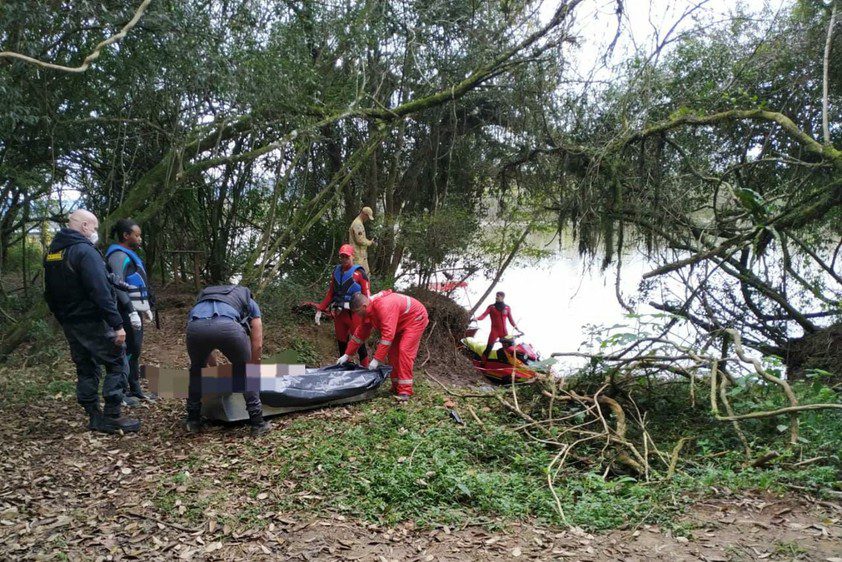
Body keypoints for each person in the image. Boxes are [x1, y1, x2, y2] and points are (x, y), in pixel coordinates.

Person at [43, 209, 141, 434]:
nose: (96, 232)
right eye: (95, 228)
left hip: (71, 323)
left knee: (85, 367)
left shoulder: (53, 253)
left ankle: (93, 415)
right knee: (117, 362)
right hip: (93, 320)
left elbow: (49, 294)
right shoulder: (84, 252)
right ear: (85, 226)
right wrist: (117, 324)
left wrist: (63, 319)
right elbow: (100, 291)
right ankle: (112, 415)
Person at [184, 284, 271, 436]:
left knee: (196, 371)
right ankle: (257, 423)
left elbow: (205, 343)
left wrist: (214, 370)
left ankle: (193, 421)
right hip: (228, 328)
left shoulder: (202, 302)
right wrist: (254, 368)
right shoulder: (249, 301)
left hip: (195, 329)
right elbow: (257, 343)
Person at [339, 290, 429, 401]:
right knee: (393, 354)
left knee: (404, 351)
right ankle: (396, 386)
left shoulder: (384, 307)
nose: (357, 315)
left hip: (415, 318)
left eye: (357, 312)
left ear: (364, 306)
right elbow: (359, 335)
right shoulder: (367, 311)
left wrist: (376, 360)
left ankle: (405, 391)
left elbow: (387, 337)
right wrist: (347, 355)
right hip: (400, 322)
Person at [106, 219, 156, 404]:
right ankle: (123, 392)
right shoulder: (118, 255)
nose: (139, 238)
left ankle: (135, 388)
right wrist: (130, 310)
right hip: (124, 311)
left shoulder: (129, 254)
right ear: (126, 235)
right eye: (137, 235)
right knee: (126, 350)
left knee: (135, 349)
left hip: (135, 309)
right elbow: (117, 284)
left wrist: (145, 307)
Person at [315, 244, 371, 366]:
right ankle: (344, 369)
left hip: (355, 314)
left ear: (352, 256)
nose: (344, 259)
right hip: (339, 314)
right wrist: (320, 308)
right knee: (341, 342)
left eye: (346, 256)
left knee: (359, 342)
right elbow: (331, 294)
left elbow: (367, 297)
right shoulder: (336, 271)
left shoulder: (360, 273)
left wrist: (367, 316)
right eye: (342, 256)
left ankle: (366, 369)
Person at [476, 291, 520, 364]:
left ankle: (509, 363)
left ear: (502, 297)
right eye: (496, 295)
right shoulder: (491, 307)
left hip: (504, 333)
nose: (496, 297)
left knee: (509, 348)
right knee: (489, 348)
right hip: (494, 332)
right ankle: (482, 363)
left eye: (498, 296)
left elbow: (511, 319)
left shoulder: (507, 308)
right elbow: (483, 315)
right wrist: (477, 318)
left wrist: (517, 328)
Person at [348, 206, 375, 273]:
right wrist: (369, 242)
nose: (367, 219)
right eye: (367, 217)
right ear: (364, 214)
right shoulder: (357, 224)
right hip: (357, 256)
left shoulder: (359, 223)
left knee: (366, 274)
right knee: (359, 275)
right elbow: (360, 240)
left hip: (361, 256)